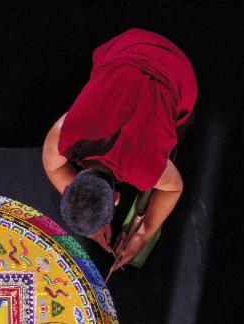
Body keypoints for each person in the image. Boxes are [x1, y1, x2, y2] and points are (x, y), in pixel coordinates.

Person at [42, 29, 198, 268]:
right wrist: (91, 208)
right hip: (129, 43)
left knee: (178, 130)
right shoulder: (65, 136)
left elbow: (174, 188)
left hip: (176, 71)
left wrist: (143, 234)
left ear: (116, 199)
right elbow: (53, 167)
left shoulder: (145, 169)